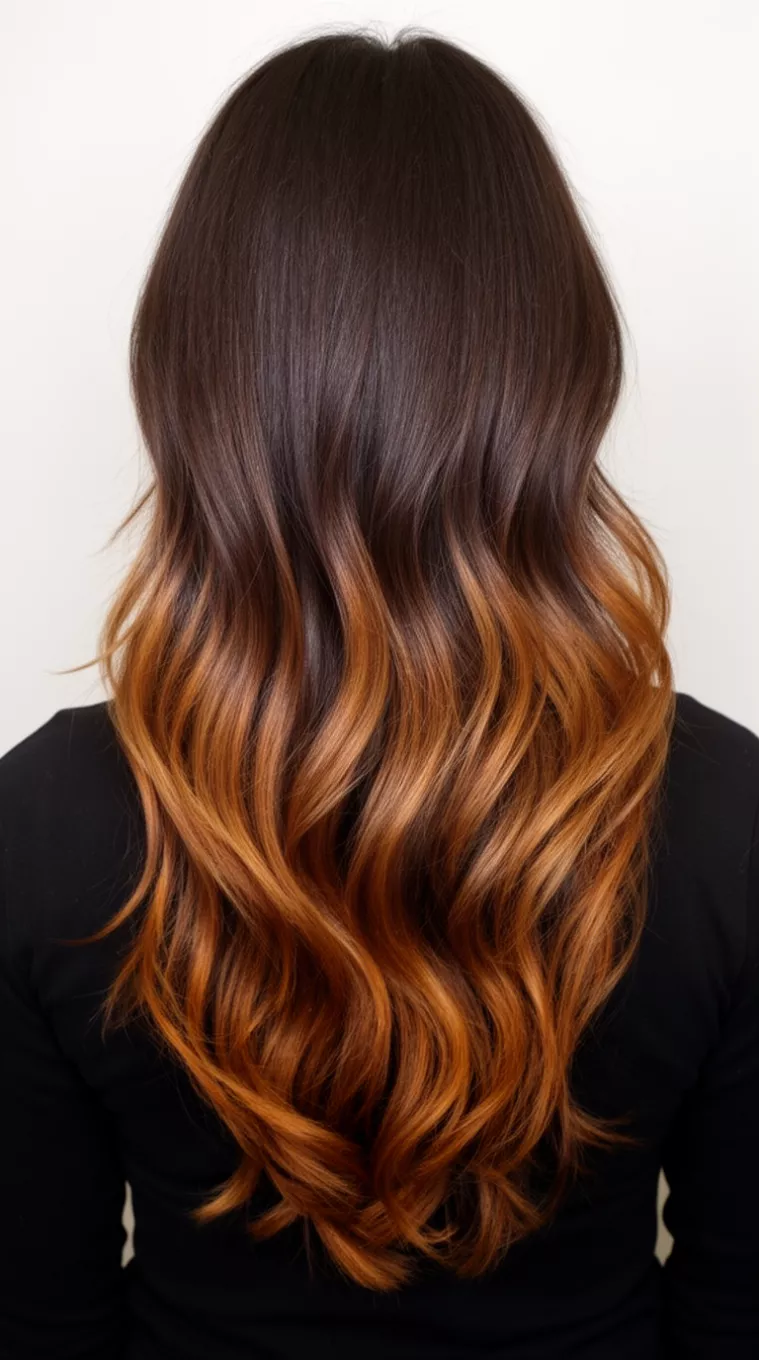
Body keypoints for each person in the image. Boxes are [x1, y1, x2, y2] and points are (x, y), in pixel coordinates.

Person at [1, 26, 757, 1360]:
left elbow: (39, 1321)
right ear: (558, 368)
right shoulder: (728, 815)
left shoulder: (42, 821)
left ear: (194, 372)